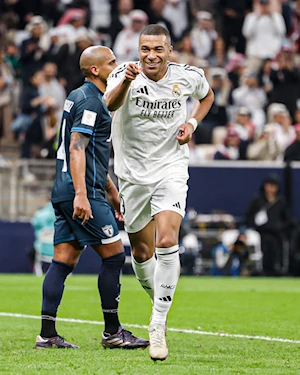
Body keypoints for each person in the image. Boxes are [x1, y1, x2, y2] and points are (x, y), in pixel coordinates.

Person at [104, 25, 214, 361]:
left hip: (171, 167)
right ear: (138, 50)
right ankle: (160, 304)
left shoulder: (188, 76)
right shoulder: (123, 74)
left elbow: (206, 96)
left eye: (158, 49)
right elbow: (110, 104)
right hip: (132, 175)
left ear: (170, 50)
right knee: (140, 252)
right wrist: (126, 80)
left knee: (167, 240)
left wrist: (192, 124)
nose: (151, 55)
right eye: (145, 49)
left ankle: (157, 324)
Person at [35, 46, 149, 350]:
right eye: (111, 62)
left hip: (65, 189)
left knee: (63, 260)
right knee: (114, 257)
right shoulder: (89, 101)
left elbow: (94, 151)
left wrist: (112, 194)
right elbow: (77, 148)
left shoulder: (81, 95)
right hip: (80, 191)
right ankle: (113, 332)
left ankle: (47, 335)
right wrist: (83, 195)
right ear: (95, 70)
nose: (116, 64)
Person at [245, 174, 290, 276]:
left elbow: (287, 218)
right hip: (260, 232)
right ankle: (261, 270)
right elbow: (249, 216)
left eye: (274, 186)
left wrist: (280, 227)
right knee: (261, 247)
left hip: (276, 233)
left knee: (276, 248)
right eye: (269, 185)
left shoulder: (281, 202)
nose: (271, 189)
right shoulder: (258, 200)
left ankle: (277, 269)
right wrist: (255, 225)